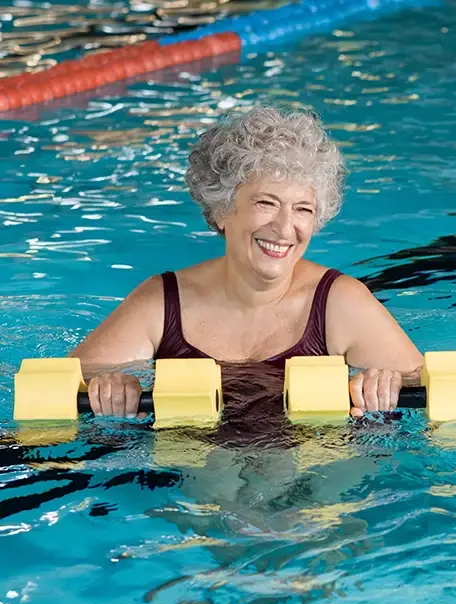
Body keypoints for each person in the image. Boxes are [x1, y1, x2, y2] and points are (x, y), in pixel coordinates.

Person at [70, 105, 422, 419]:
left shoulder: (340, 303)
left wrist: (383, 382)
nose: (285, 228)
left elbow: (429, 388)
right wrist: (112, 386)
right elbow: (67, 380)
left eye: (303, 209)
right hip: (189, 474)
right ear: (223, 210)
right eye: (266, 203)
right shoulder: (162, 303)